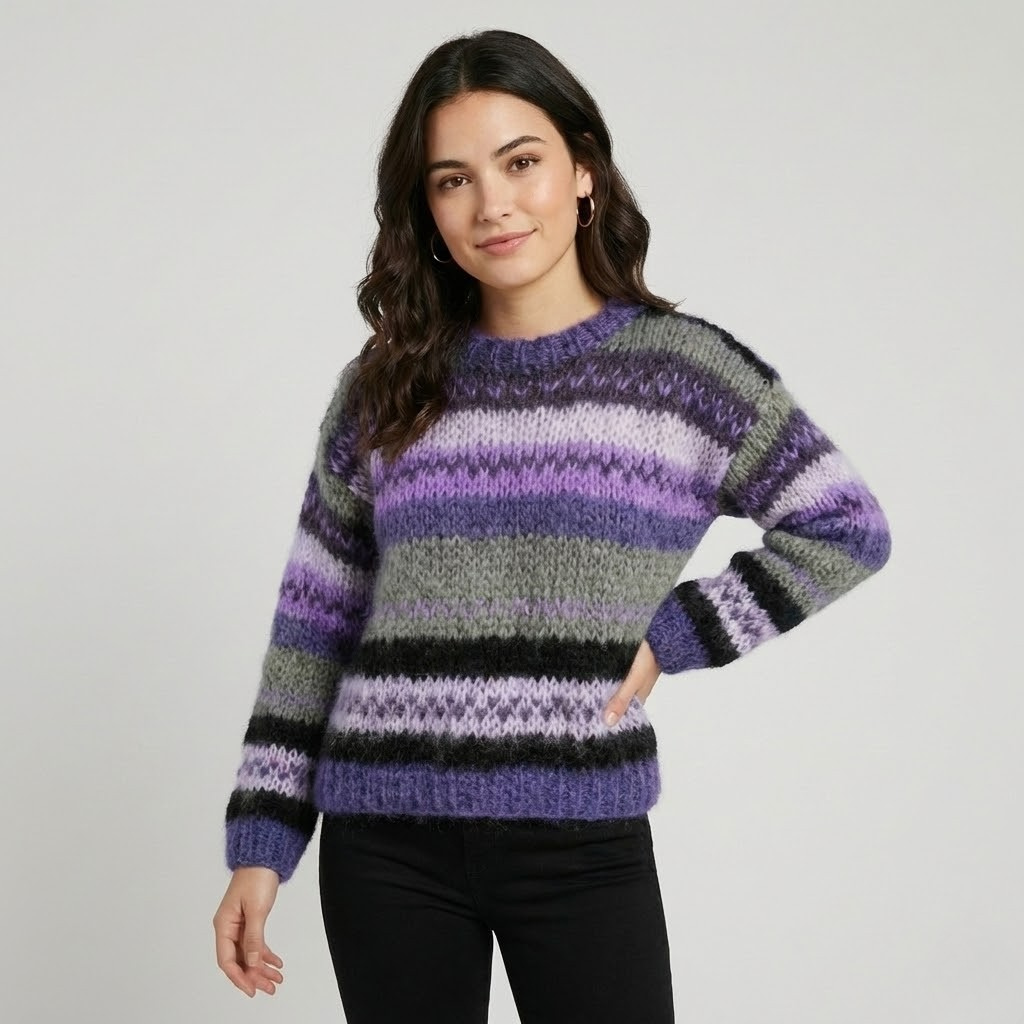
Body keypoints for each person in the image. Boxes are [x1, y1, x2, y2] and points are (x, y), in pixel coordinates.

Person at [212, 28, 892, 1023]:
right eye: (452, 180)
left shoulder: (684, 375)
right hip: (383, 845)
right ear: (425, 210)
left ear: (582, 170)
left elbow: (844, 525)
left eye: (520, 162)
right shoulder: (384, 386)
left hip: (582, 842)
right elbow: (316, 623)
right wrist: (261, 845)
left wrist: (672, 637)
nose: (491, 204)